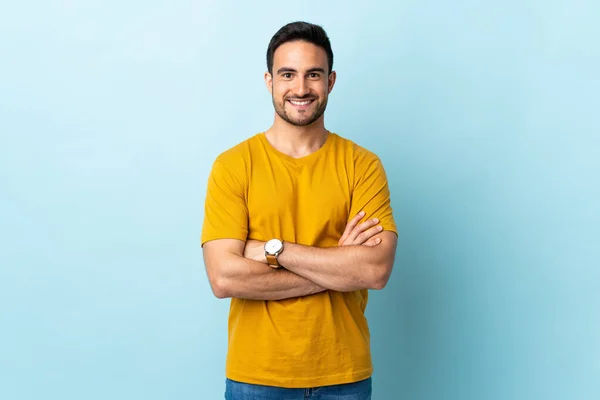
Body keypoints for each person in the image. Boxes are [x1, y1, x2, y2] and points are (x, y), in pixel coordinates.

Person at [201, 21, 397, 400]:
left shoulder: (362, 166)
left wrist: (274, 250)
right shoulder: (234, 166)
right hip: (256, 377)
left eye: (314, 75)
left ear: (331, 81)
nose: (301, 88)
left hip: (344, 376)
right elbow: (224, 278)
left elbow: (374, 270)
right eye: (288, 74)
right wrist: (339, 266)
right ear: (269, 80)